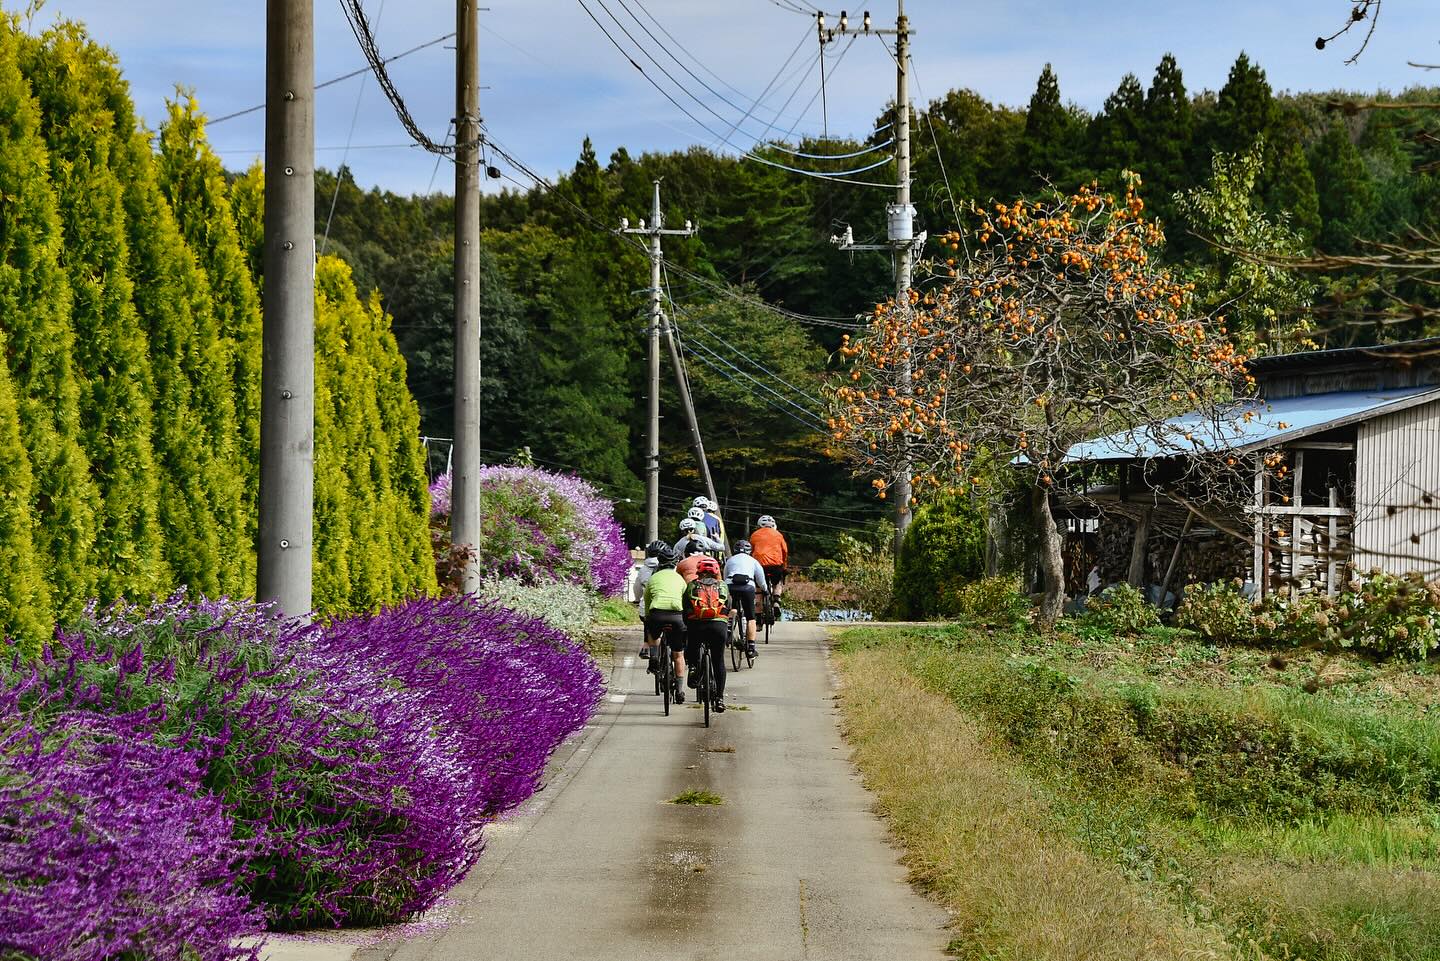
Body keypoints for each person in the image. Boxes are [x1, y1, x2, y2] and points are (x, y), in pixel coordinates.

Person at [683, 556, 731, 713]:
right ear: (717, 571)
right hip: (719, 627)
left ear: (699, 571)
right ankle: (720, 698)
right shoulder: (723, 586)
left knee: (693, 645)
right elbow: (729, 607)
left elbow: (685, 609)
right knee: (718, 661)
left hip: (698, 626)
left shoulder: (692, 585)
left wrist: (687, 624)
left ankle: (694, 668)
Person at [642, 545, 687, 704]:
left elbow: (647, 601)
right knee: (678, 654)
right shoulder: (680, 579)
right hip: (676, 616)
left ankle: (654, 656)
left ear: (659, 563)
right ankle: (680, 691)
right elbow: (684, 600)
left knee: (652, 631)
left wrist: (648, 617)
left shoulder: (653, 578)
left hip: (657, 614)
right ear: (675, 563)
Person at [723, 540, 767, 658]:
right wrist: (765, 590)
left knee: (733, 608)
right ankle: (751, 649)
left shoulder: (730, 560)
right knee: (751, 618)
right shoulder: (753, 561)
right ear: (749, 551)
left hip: (731, 585)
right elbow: (761, 580)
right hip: (748, 587)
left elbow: (725, 576)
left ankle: (728, 629)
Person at [635, 540, 669, 667]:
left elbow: (637, 589)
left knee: (649, 622)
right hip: (670, 609)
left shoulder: (643, 569)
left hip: (648, 608)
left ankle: (650, 649)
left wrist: (638, 600)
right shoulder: (671, 569)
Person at [749, 515, 789, 615]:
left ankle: (758, 616)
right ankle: (776, 600)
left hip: (759, 565)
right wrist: (784, 566)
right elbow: (785, 551)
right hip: (775, 565)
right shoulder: (778, 535)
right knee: (777, 582)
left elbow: (750, 551)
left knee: (758, 589)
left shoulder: (754, 535)